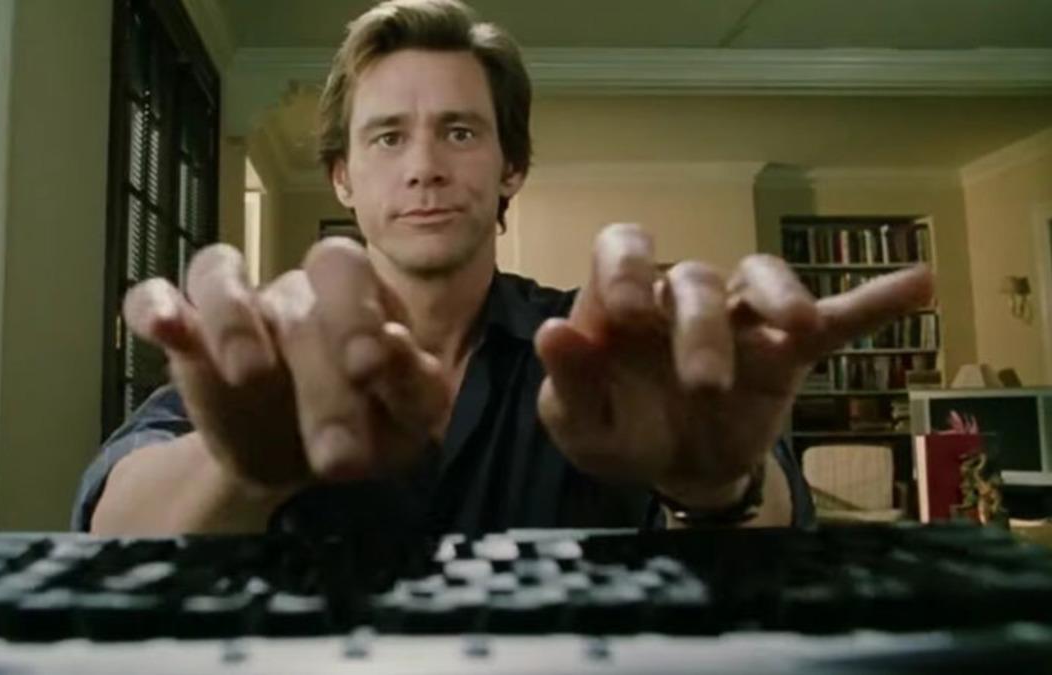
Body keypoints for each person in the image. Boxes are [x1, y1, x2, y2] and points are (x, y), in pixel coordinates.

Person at [73, 0, 932, 536]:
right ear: (342, 177)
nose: (424, 167)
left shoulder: (606, 353)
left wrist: (716, 487)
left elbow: (774, 524)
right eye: (387, 137)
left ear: (510, 166)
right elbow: (110, 523)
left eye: (459, 131)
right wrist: (242, 468)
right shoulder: (269, 359)